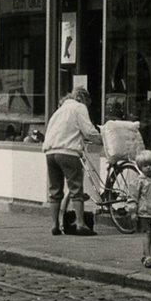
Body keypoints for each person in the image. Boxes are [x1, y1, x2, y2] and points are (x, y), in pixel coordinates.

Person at [41, 88, 101, 236]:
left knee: (55, 191)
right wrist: (102, 139)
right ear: (82, 98)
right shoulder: (79, 107)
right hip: (68, 152)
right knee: (76, 189)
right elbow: (88, 131)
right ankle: (80, 223)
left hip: (50, 152)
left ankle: (54, 225)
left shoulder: (59, 111)